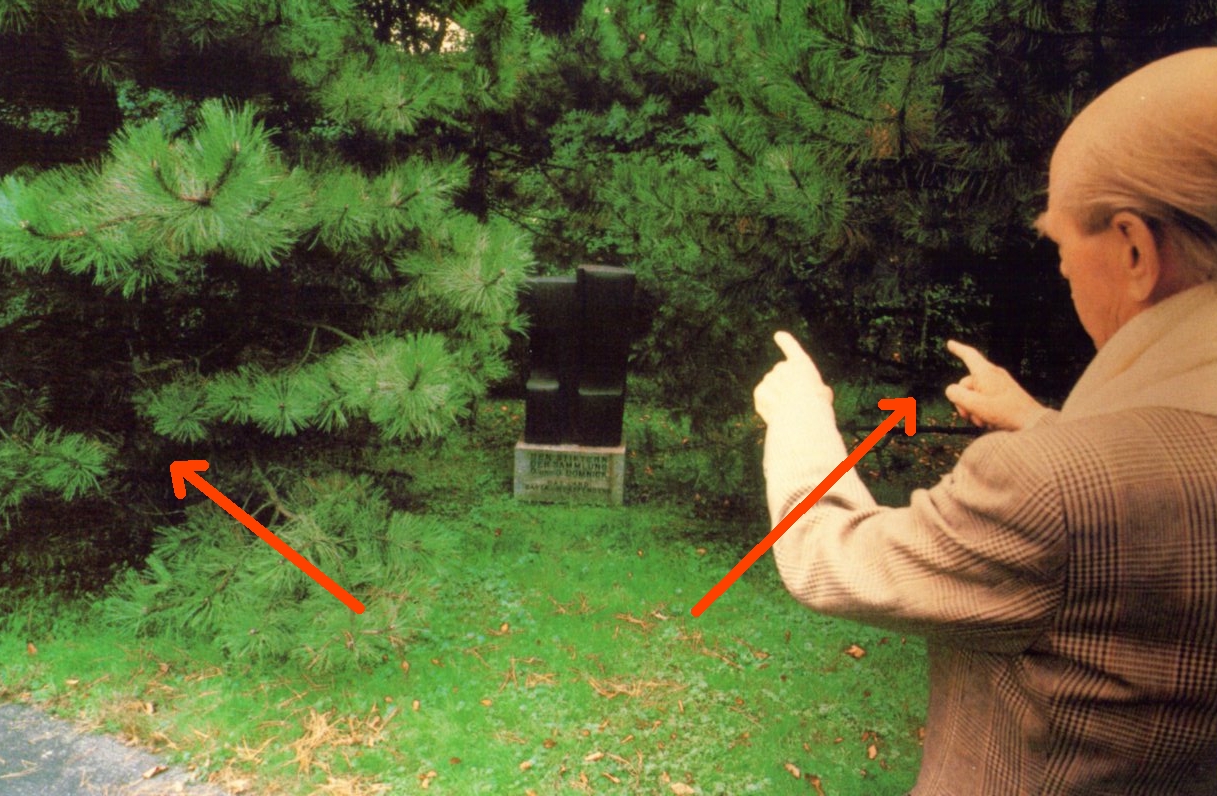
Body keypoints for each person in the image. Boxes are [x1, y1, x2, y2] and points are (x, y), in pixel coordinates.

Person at [754, 48, 1217, 794]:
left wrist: (799, 416)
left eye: (1061, 244)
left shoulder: (1049, 489)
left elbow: (828, 559)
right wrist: (1038, 422)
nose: (1061, 271)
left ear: (1135, 248)